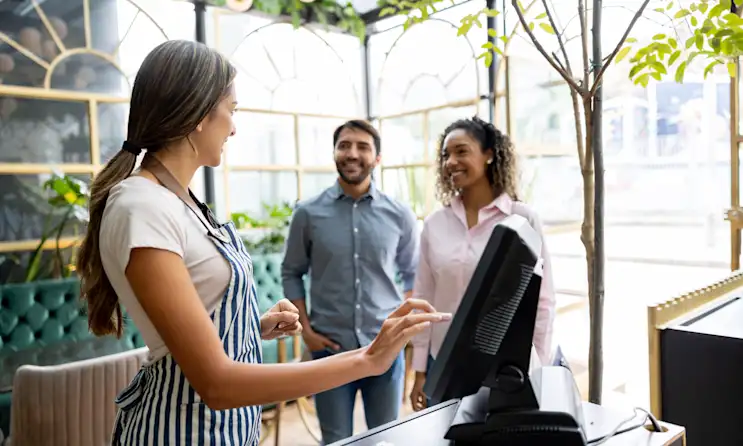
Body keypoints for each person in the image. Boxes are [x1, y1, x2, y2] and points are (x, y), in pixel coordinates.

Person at [75, 40, 449, 446]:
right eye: (231, 110)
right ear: (200, 113)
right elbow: (215, 383)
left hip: (224, 430)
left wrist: (252, 329)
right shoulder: (141, 205)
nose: (233, 127)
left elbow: (187, 330)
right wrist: (367, 359)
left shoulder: (174, 200)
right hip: (180, 431)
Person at [281, 120, 419, 444]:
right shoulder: (307, 213)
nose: (352, 153)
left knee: (384, 438)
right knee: (335, 439)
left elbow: (413, 272)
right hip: (329, 352)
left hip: (385, 347)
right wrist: (308, 333)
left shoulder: (399, 214)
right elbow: (291, 272)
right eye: (344, 145)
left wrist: (403, 331)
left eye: (362, 146)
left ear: (377, 157)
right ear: (334, 153)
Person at [408, 116, 556, 412]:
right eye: (445, 155)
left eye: (461, 151)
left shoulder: (522, 219)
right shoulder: (435, 224)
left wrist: (538, 365)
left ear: (489, 154)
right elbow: (423, 299)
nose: (450, 162)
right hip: (444, 363)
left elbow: (543, 300)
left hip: (502, 368)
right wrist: (420, 370)